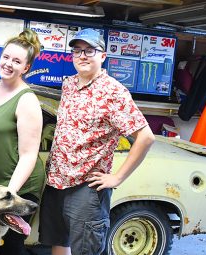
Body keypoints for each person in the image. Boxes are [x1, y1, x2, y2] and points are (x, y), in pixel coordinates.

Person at [38, 28, 155, 255]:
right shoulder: (69, 84)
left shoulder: (113, 92)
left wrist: (117, 177)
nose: (82, 56)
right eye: (77, 51)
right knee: (58, 242)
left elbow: (146, 137)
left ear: (102, 56)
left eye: (89, 50)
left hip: (86, 188)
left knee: (86, 249)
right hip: (56, 181)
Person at [0, 29, 45, 255]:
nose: (8, 64)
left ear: (26, 68)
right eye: (6, 57)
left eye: (17, 61)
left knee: (10, 247)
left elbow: (29, 155)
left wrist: (8, 196)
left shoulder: (27, 101)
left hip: (17, 189)